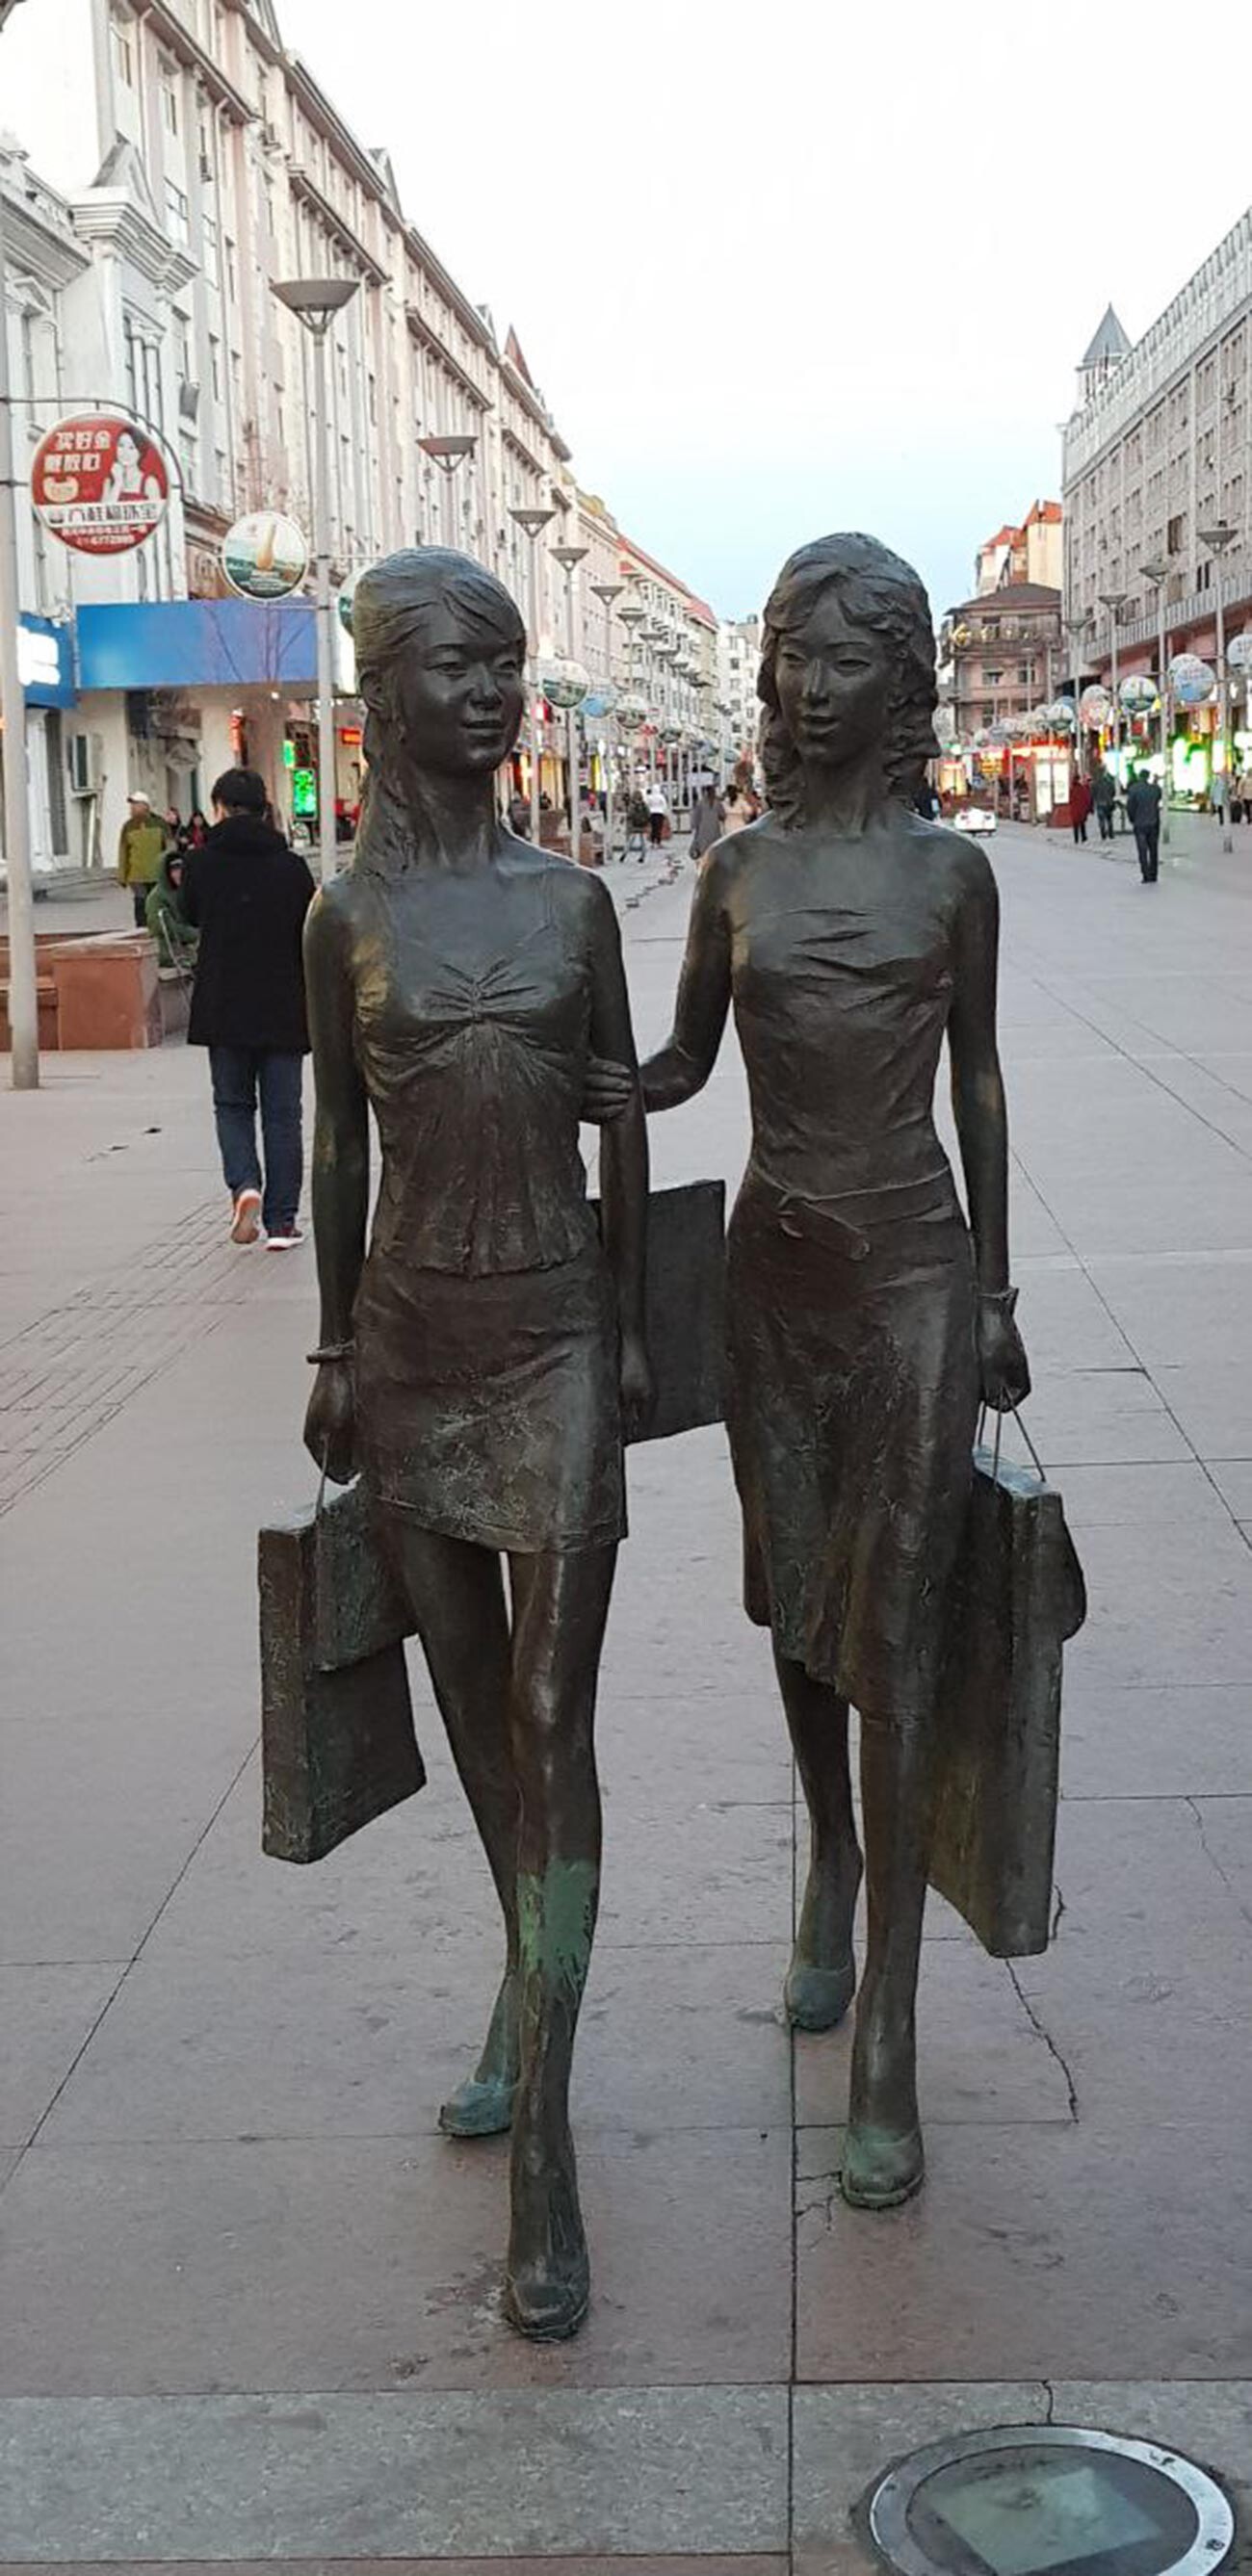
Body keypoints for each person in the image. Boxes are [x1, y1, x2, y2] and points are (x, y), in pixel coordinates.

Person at [587, 533, 1029, 2212]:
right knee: (791, 1601)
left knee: (898, 1626)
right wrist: (575, 1067)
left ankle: (896, 2032)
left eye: (840, 661)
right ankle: (830, 1855)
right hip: (768, 1280)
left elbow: (976, 1084)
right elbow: (688, 1062)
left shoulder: (948, 880)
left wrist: (995, 1285)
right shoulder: (736, 872)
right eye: (790, 659)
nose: (804, 687)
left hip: (912, 1274)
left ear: (898, 682)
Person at [301, 549, 650, 2340]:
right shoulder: (341, 921)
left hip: (560, 1334)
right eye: (463, 664)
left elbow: (621, 1120)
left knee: (548, 1718)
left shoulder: (575, 901)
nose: (501, 691)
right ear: (385, 693)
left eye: (511, 662)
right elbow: (337, 1156)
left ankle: (553, 2157)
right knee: (474, 1725)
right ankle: (527, 1990)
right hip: (414, 1346)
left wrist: (645, 1325)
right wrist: (331, 1348)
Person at [180, 768, 315, 1248]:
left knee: (232, 1105)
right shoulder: (292, 867)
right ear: (264, 808)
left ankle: (245, 1186)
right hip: (283, 1006)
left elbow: (189, 914)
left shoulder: (200, 863)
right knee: (283, 1115)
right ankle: (282, 1223)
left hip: (224, 1005)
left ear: (219, 807)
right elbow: (310, 930)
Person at [117, 792, 169, 928]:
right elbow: (123, 851)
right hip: (136, 874)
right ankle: (141, 928)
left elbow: (169, 848)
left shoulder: (160, 823)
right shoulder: (128, 826)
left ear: (145, 806)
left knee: (155, 902)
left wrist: (170, 871)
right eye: (131, 805)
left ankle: (156, 927)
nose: (132, 808)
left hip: (156, 873)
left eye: (135, 804)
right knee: (140, 902)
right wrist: (122, 875)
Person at [144, 846, 198, 972]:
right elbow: (162, 927)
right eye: (174, 870)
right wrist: (194, 934)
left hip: (188, 947)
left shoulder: (186, 892)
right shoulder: (157, 897)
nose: (179, 874)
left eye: (182, 870)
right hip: (167, 949)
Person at [1125, 767, 1161, 883]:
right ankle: (1153, 874)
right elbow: (1158, 797)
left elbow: (1130, 807)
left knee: (1142, 850)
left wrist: (1132, 819)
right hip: (1153, 822)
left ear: (1140, 776)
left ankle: (1145, 874)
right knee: (1153, 850)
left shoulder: (1134, 789)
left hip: (1140, 824)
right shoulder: (1154, 789)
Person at [690, 779, 723, 859]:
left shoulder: (713, 803)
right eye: (713, 791)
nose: (713, 793)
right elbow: (722, 815)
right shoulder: (705, 803)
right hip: (708, 829)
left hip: (708, 829)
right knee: (709, 848)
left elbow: (722, 815)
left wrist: (694, 825)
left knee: (709, 848)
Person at [1092, 765, 1116, 842]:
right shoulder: (1109, 782)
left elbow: (1093, 794)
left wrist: (1095, 800)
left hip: (1100, 803)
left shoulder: (1095, 783)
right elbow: (1113, 792)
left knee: (1101, 820)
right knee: (1109, 819)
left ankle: (1103, 834)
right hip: (1108, 803)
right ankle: (1110, 833)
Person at [1069, 774, 1093, 846]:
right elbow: (1086, 799)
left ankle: (1076, 839)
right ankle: (1083, 838)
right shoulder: (1081, 789)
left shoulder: (1072, 789)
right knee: (1082, 824)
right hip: (1081, 809)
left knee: (1075, 825)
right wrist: (1088, 808)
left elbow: (1071, 800)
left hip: (1074, 810)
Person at [646, 779, 668, 847]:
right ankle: (658, 842)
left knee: (653, 828)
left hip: (652, 813)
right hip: (660, 813)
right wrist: (665, 813)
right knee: (659, 828)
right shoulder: (661, 797)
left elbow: (647, 805)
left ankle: (652, 842)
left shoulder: (650, 797)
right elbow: (665, 805)